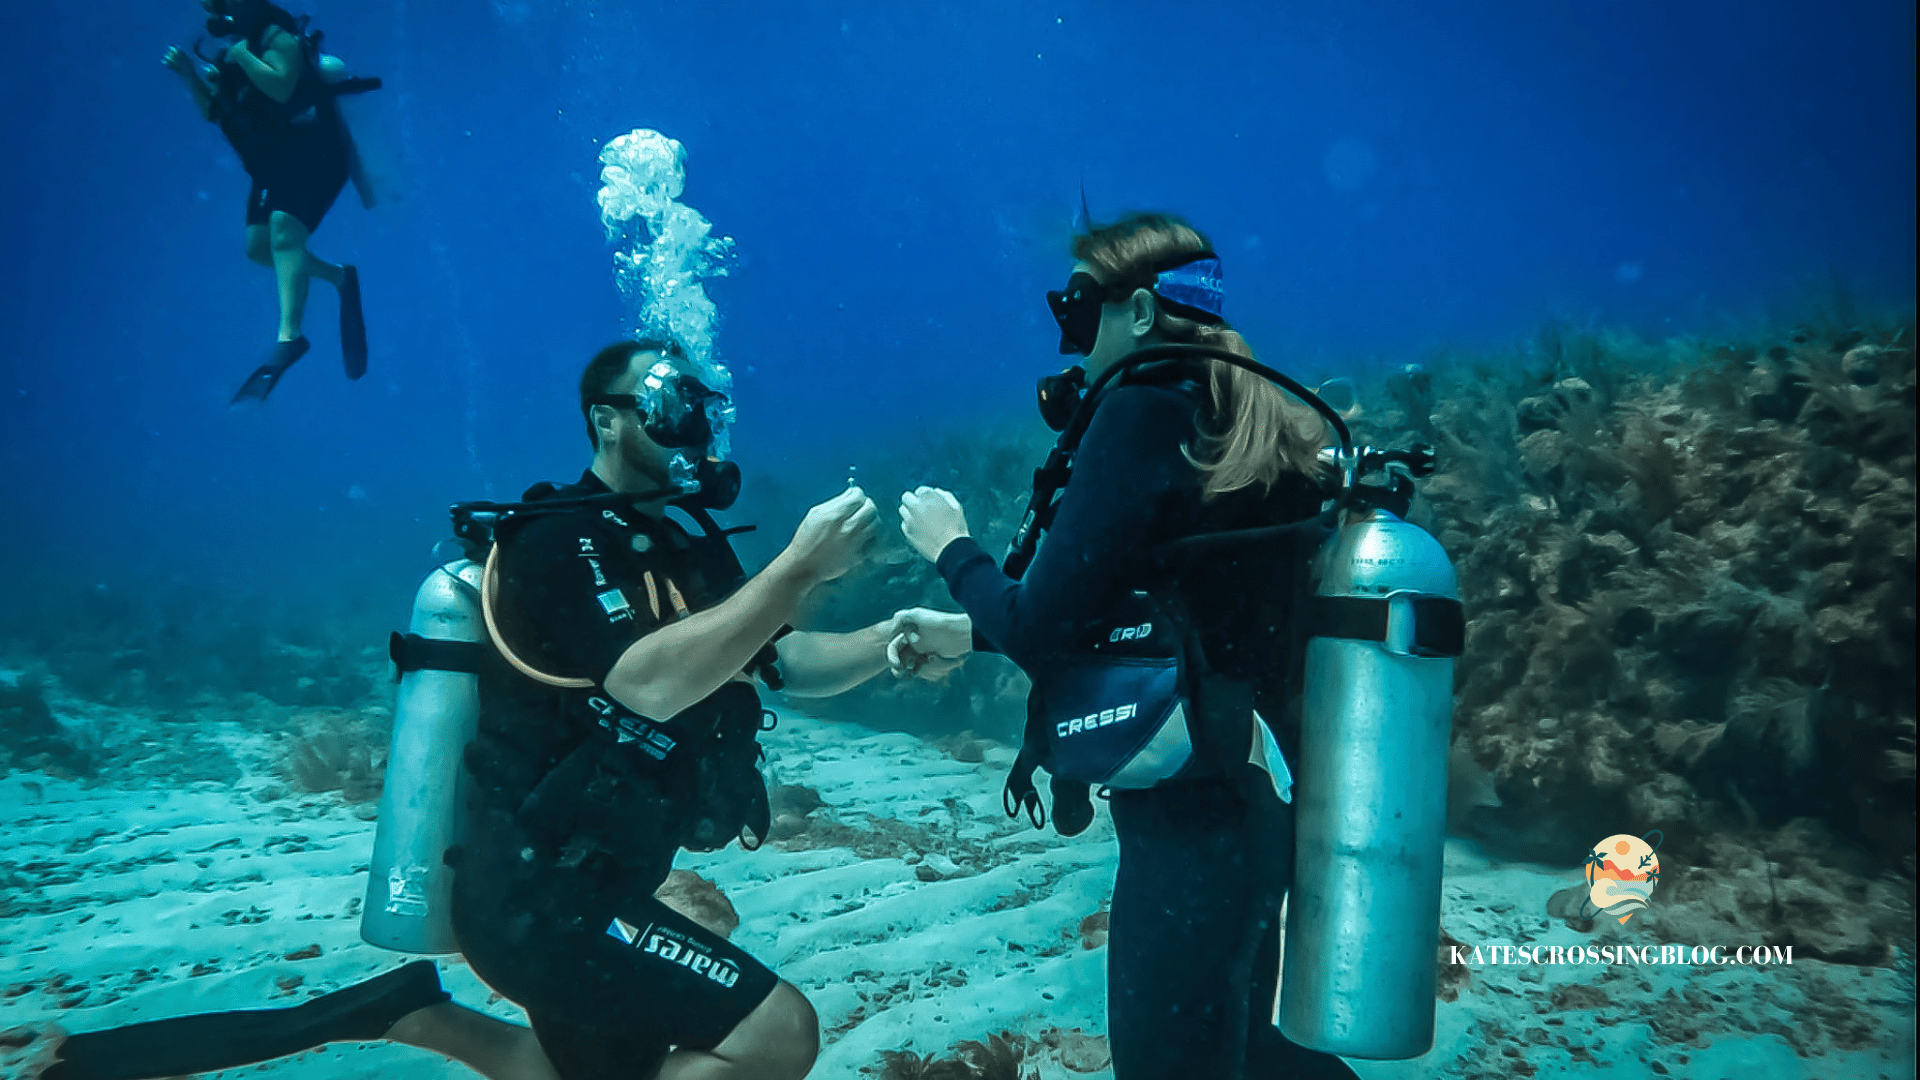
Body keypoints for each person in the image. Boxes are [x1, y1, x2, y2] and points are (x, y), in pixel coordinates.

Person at [36, 339, 973, 1080]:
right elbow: (646, 683)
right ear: (610, 421)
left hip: (597, 876)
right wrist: (797, 569)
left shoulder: (684, 541)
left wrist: (889, 642)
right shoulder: (558, 542)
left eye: (703, 407)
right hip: (536, 894)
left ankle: (413, 1015)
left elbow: (779, 664)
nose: (694, 426)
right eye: (671, 404)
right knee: (777, 1038)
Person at [897, 212, 1362, 1079]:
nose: (1072, 338)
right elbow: (1158, 623)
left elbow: (1041, 627)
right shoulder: (1235, 414)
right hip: (1260, 804)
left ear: (1141, 312)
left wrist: (951, 551)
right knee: (1243, 1052)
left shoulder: (1142, 410)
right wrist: (971, 634)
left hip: (1192, 830)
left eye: (1079, 307)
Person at [162, 0, 374, 405]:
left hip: (315, 150)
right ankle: (340, 277)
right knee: (260, 249)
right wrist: (189, 75)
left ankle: (289, 338)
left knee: (283, 233)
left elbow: (282, 84)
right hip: (273, 166)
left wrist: (242, 53)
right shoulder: (233, 57)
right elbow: (214, 110)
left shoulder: (270, 30)